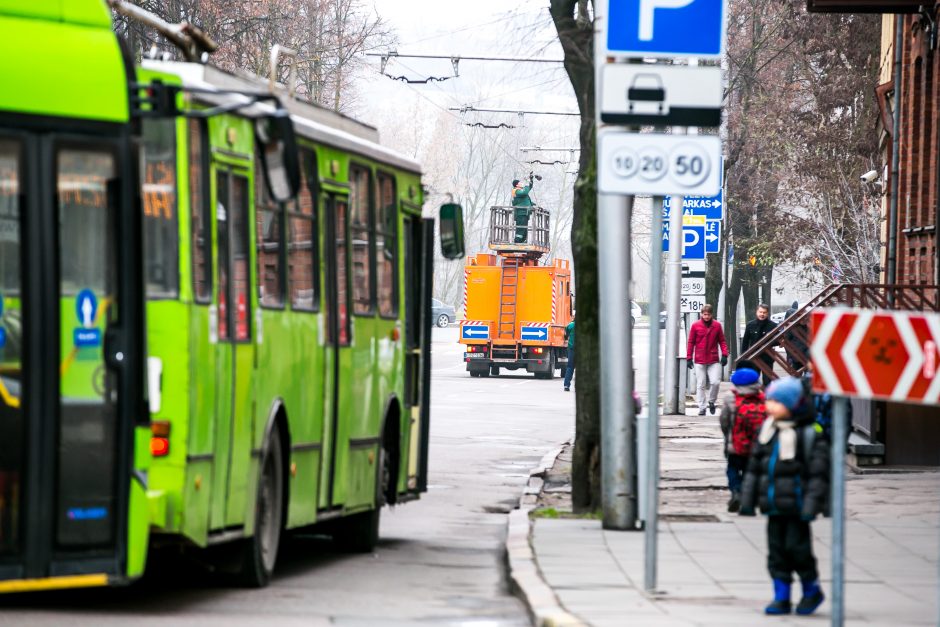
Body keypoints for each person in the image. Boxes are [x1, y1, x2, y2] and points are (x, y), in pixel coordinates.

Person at [739, 377, 829, 616]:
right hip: (774, 506)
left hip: (798, 507)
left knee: (799, 551)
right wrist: (746, 502)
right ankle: (781, 597)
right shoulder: (767, 431)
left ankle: (811, 590)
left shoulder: (809, 434)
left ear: (794, 404)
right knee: (776, 553)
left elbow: (818, 475)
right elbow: (754, 469)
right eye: (769, 400)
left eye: (777, 401)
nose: (770, 405)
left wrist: (812, 505)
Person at [718, 361, 765, 513]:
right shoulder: (762, 397)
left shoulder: (730, 398)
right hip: (756, 444)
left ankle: (736, 491)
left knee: (732, 469)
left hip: (735, 443)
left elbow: (724, 421)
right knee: (749, 472)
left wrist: (727, 436)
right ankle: (748, 500)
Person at [686, 304, 729, 416]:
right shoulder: (695, 325)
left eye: (708, 315)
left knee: (715, 382)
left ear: (711, 314)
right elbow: (691, 342)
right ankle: (702, 407)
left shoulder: (717, 326)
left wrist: (724, 354)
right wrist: (689, 357)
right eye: (704, 314)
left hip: (713, 359)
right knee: (701, 384)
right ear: (701, 314)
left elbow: (722, 341)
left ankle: (711, 401)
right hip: (699, 359)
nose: (706, 317)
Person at [741, 303, 778, 385]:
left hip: (767, 357)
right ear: (756, 312)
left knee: (767, 381)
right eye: (760, 312)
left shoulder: (773, 326)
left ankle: (767, 397)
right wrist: (743, 356)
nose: (762, 314)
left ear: (767, 313)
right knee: (753, 381)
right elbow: (745, 342)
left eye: (764, 312)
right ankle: (754, 397)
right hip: (754, 357)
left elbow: (778, 341)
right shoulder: (750, 325)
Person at [511, 174, 534, 243]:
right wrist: (527, 184)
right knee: (521, 227)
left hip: (524, 212)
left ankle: (523, 240)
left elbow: (528, 189)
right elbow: (525, 192)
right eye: (520, 183)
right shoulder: (516, 191)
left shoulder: (520, 191)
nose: (521, 184)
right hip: (520, 213)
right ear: (517, 185)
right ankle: (517, 241)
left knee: (524, 228)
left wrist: (531, 181)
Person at [563, 315, 575, 392]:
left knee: (570, 367)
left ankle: (566, 385)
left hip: (572, 349)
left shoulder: (571, 325)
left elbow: (566, 333)